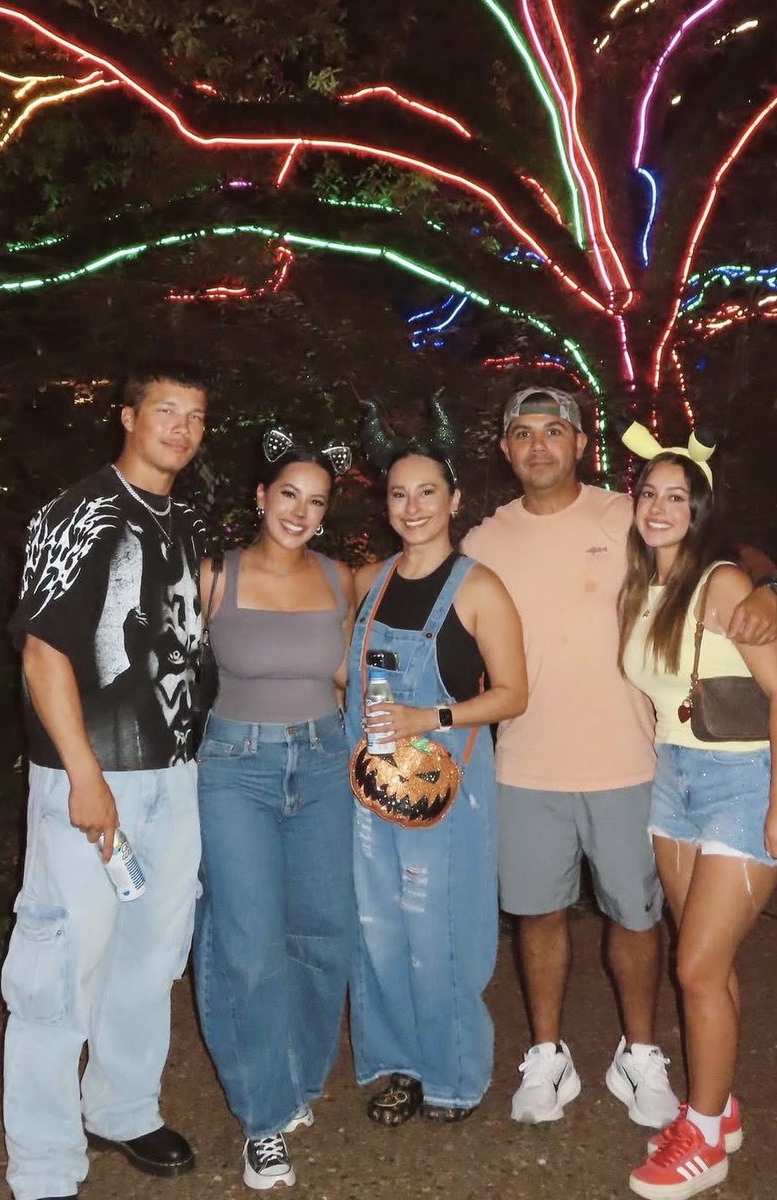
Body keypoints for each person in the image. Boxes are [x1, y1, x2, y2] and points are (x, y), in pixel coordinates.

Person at [461, 386, 777, 1132]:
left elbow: (728, 551)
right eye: (521, 432)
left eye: (554, 431)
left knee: (635, 918)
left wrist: (766, 591)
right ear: (505, 449)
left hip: (633, 763)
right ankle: (547, 1054)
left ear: (580, 444)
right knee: (537, 915)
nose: (538, 445)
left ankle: (639, 1052)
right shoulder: (481, 542)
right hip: (525, 767)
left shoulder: (628, 512)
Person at [3, 362, 209, 1200]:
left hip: (174, 776)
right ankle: (45, 1165)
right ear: (127, 416)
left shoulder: (187, 522)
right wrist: (86, 777)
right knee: (59, 971)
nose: (182, 429)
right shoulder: (77, 511)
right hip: (90, 780)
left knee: (150, 957)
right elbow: (43, 650)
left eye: (196, 416)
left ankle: (121, 1107)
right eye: (166, 410)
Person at [619, 444, 777, 1198]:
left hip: (743, 780)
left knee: (693, 966)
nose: (660, 507)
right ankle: (718, 1109)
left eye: (677, 496)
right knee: (708, 964)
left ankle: (703, 1139)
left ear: (697, 512)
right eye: (649, 494)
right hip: (672, 782)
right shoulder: (641, 587)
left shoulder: (723, 582)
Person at [347, 405, 527, 1125]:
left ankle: (453, 1074)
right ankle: (398, 1065)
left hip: (448, 795)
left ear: (455, 500)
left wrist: (433, 717)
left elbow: (514, 694)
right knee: (380, 928)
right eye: (398, 494)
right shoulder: (371, 580)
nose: (412, 507)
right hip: (371, 791)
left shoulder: (480, 588)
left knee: (441, 931)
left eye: (427, 492)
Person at [192, 429, 355, 1191]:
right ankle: (262, 1120)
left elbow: (356, 676)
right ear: (260, 497)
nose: (300, 510)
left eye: (316, 501)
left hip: (323, 761)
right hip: (235, 769)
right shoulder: (214, 578)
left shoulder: (339, 577)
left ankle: (298, 1075)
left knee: (325, 933)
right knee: (248, 945)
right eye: (288, 493)